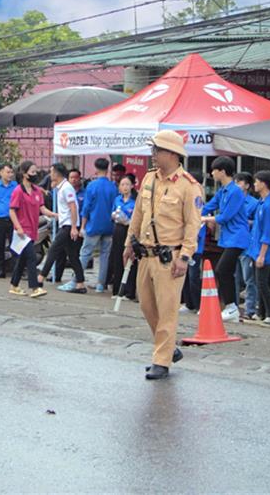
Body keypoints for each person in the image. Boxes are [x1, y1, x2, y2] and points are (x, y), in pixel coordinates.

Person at [123, 130, 203, 380]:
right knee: (147, 307)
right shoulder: (149, 180)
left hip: (171, 256)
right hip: (145, 254)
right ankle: (169, 349)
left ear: (171, 153)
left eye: (157, 150)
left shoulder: (189, 187)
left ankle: (162, 361)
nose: (153, 155)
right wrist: (128, 244)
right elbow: (138, 214)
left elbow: (193, 225)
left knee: (168, 310)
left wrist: (185, 257)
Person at [201, 156, 248, 322]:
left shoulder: (235, 192)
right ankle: (231, 308)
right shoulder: (222, 191)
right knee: (227, 271)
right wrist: (194, 213)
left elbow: (225, 216)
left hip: (238, 237)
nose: (211, 173)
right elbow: (209, 206)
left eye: (214, 170)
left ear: (222, 171)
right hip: (229, 238)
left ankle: (231, 307)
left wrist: (205, 220)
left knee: (222, 270)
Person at [8, 160, 57, 298]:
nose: (35, 175)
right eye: (32, 172)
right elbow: (12, 211)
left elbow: (42, 208)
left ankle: (14, 285)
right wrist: (18, 227)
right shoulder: (18, 191)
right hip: (22, 232)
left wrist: (54, 215)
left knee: (23, 259)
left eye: (36, 172)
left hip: (33, 229)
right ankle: (35, 287)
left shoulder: (37, 191)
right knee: (31, 257)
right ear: (24, 174)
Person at [40, 163, 85, 293]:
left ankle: (40, 277)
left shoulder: (66, 188)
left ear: (56, 173)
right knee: (72, 255)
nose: (50, 174)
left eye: (51, 172)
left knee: (53, 249)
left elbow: (73, 207)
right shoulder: (61, 187)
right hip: (65, 224)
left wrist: (73, 227)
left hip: (67, 225)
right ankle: (80, 283)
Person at [246, 170, 270, 326]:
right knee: (258, 281)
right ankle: (260, 313)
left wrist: (262, 254)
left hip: (263, 250)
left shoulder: (269, 206)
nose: (254, 184)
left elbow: (268, 233)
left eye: (257, 181)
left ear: (264, 184)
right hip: (256, 248)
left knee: (262, 283)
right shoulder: (262, 202)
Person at [80, 158, 118, 293]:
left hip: (94, 224)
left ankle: (77, 280)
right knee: (104, 255)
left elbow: (86, 207)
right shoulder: (113, 186)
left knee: (85, 253)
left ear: (96, 169)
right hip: (109, 225)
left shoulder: (92, 186)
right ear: (108, 169)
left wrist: (82, 226)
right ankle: (101, 283)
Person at [181, 171, 208, 312]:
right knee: (184, 275)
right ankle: (188, 303)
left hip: (196, 246)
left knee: (193, 275)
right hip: (184, 243)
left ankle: (198, 305)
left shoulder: (199, 200)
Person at [108, 174, 138, 300]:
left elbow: (137, 219)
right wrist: (115, 215)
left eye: (127, 184)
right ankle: (117, 291)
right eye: (122, 184)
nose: (124, 187)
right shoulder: (117, 199)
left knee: (130, 261)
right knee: (117, 259)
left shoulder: (135, 201)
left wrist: (128, 221)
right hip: (118, 230)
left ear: (132, 186)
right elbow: (112, 214)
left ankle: (129, 292)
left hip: (130, 230)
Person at [233, 171, 259, 320]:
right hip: (232, 242)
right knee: (234, 277)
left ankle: (250, 309)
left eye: (239, 182)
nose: (236, 185)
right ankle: (233, 307)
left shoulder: (254, 203)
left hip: (246, 244)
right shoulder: (232, 199)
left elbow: (258, 223)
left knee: (248, 279)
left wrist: (248, 223)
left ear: (247, 186)